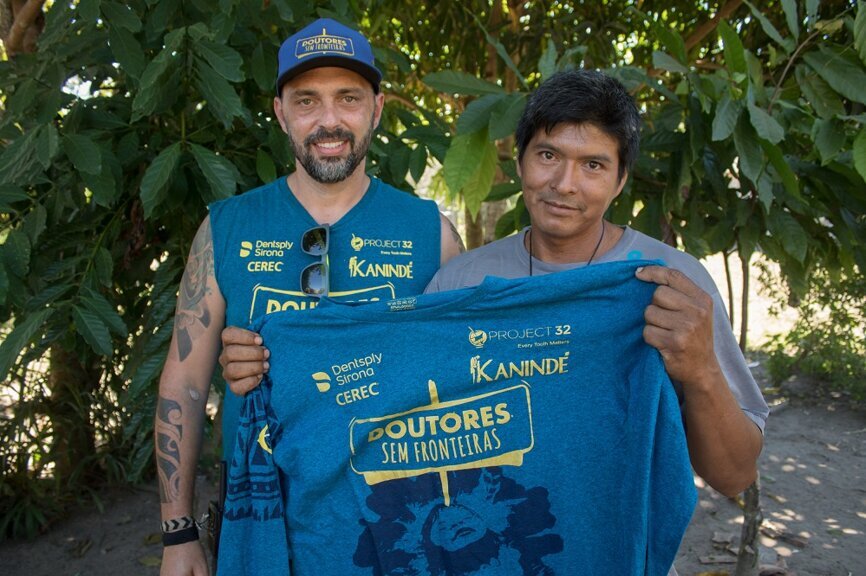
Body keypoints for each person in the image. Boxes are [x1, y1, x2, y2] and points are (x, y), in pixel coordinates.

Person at [154, 17, 464, 576]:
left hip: (402, 524)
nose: (328, 121)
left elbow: (465, 379)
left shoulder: (431, 233)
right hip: (263, 526)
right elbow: (185, 380)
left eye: (348, 98)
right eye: (306, 100)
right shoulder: (226, 228)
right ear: (280, 113)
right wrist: (178, 533)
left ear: (376, 108)